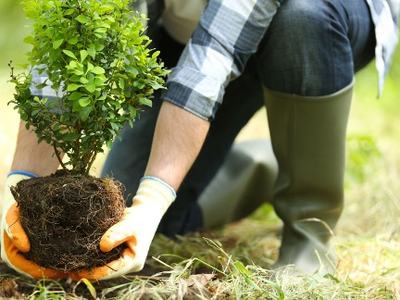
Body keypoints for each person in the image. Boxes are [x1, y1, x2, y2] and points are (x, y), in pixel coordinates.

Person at [1, 0, 398, 280]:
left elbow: (212, 59)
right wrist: (20, 189)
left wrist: (153, 196)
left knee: (302, 17)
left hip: (319, 23)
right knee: (135, 225)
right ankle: (266, 166)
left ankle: (308, 231)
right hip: (184, 27)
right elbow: (80, 27)